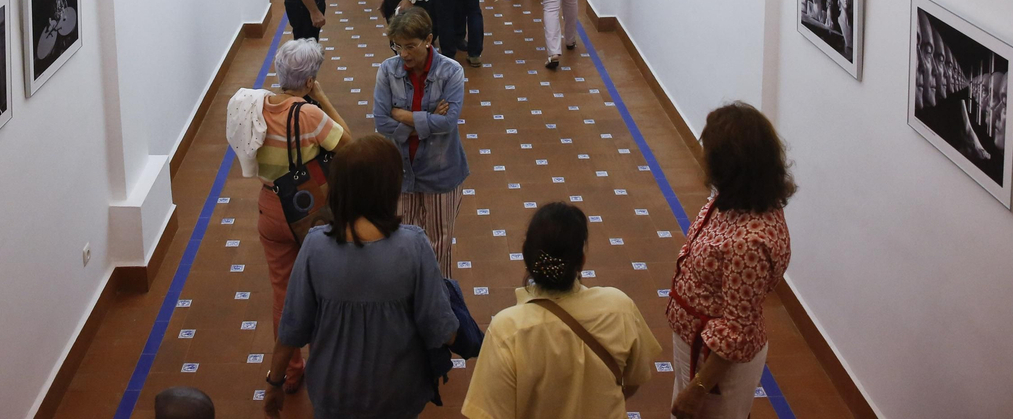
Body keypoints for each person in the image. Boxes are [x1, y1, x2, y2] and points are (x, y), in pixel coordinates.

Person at [262, 134, 458, 419]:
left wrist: (274, 383)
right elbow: (443, 331)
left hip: (332, 394)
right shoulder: (414, 245)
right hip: (399, 393)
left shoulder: (315, 246)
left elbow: (291, 327)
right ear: (391, 188)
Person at [227, 39, 351, 393]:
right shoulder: (309, 115)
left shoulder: (255, 106)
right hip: (309, 212)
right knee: (326, 287)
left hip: (270, 208)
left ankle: (291, 371)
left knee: (283, 292)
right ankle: (327, 362)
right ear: (310, 81)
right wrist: (321, 99)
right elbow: (352, 148)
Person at [462, 202, 659, 419]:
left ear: (526, 258)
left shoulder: (507, 330)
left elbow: (489, 413)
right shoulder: (620, 308)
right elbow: (634, 380)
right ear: (581, 261)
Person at [666, 103, 794, 419]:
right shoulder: (734, 199)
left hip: (714, 366)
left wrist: (697, 389)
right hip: (697, 349)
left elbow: (738, 330)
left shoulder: (750, 242)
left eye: (707, 151)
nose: (701, 157)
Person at [372, 7, 468, 276]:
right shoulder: (387, 71)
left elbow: (448, 123)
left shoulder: (451, 72)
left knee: (439, 246)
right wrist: (426, 119)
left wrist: (403, 116)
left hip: (441, 174)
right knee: (400, 244)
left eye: (410, 46)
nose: (403, 54)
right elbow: (381, 122)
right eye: (397, 46)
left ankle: (439, 304)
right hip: (399, 174)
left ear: (428, 40)